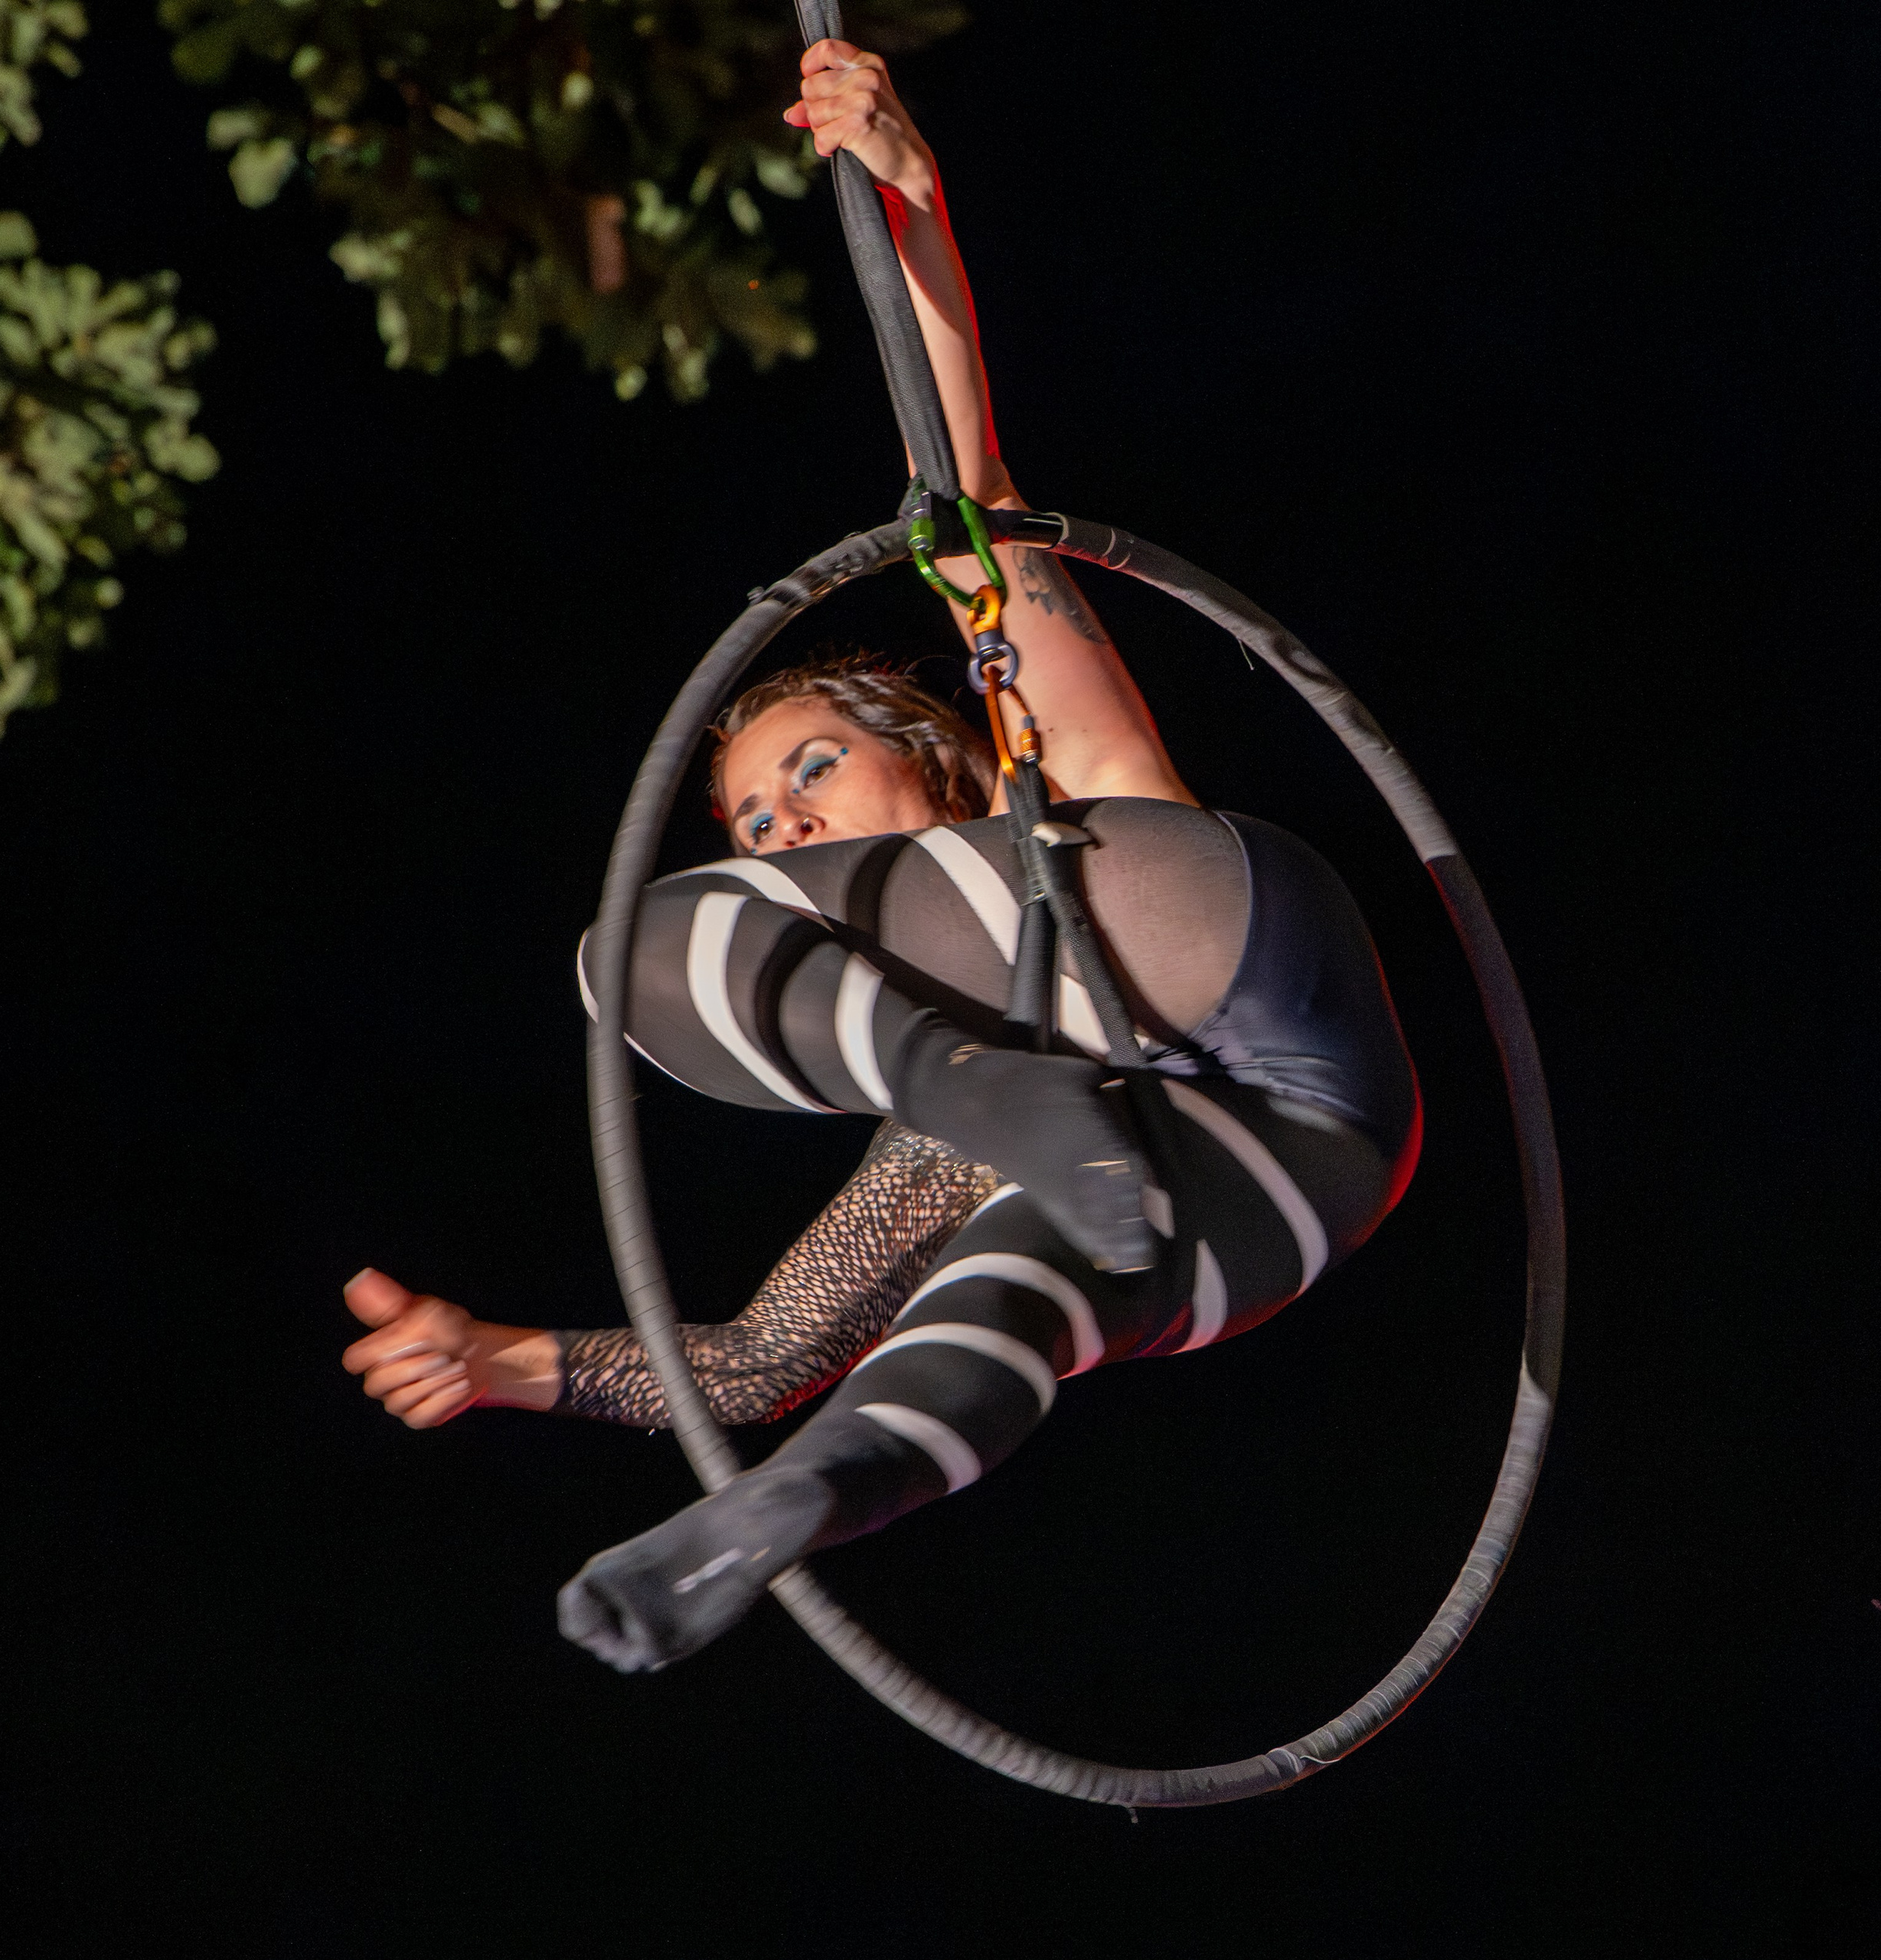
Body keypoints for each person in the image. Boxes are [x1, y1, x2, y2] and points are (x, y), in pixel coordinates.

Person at [341, 40, 1422, 1673]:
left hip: (1210, 967)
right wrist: (503, 1361)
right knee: (998, 1299)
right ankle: (805, 1499)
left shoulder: (1046, 779)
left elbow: (965, 489)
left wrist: (913, 208)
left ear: (929, 754)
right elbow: (755, 1350)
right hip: (1270, 1196)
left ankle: (995, 1094)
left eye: (812, 774)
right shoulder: (917, 1167)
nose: (784, 834)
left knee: (624, 950)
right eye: (763, 825)